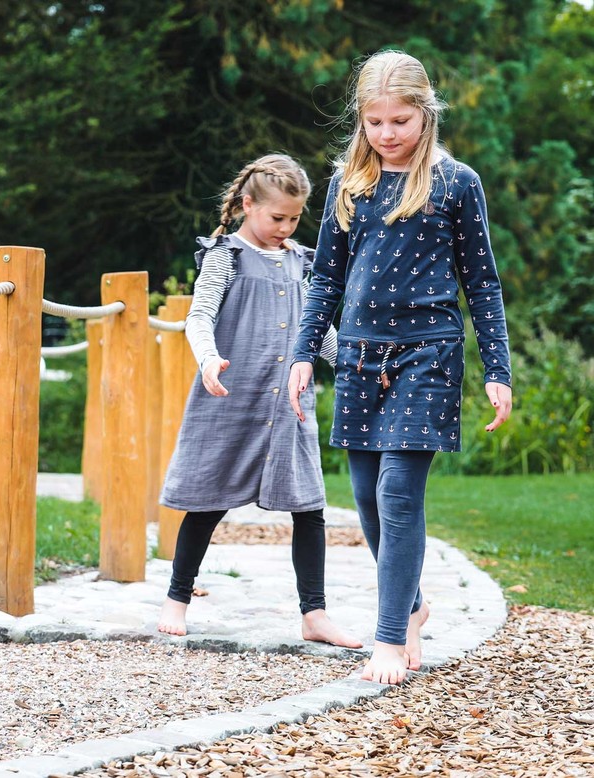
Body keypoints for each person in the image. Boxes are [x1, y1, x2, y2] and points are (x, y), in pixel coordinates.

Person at [288, 50, 513, 685]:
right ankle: (410, 605)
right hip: (360, 355)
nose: (388, 134)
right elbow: (327, 277)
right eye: (375, 122)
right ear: (361, 120)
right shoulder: (346, 184)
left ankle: (389, 638)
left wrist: (498, 368)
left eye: (401, 121)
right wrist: (304, 352)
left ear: (426, 114)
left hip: (429, 354)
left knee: (397, 492)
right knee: (364, 497)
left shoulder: (455, 183)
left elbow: (483, 284)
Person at [157, 153, 361, 650]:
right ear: (248, 205)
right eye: (277, 218)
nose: (286, 227)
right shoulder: (225, 255)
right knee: (206, 502)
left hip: (288, 407)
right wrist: (207, 359)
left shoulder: (301, 262)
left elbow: (317, 331)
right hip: (228, 395)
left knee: (310, 508)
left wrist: (353, 367)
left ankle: (314, 614)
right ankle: (176, 599)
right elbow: (200, 316)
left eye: (294, 218)